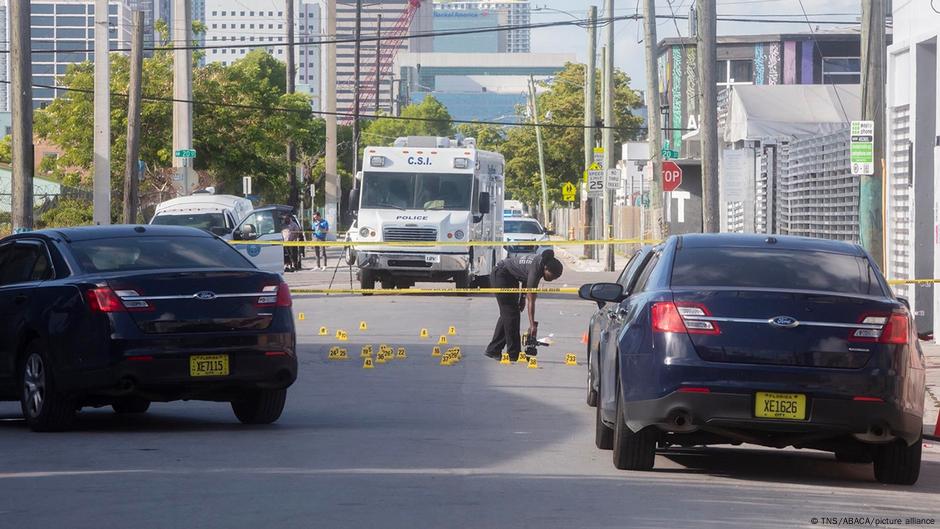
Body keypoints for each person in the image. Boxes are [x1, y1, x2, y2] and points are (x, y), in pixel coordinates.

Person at [485, 250, 564, 361]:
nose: (552, 279)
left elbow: (526, 281)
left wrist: (522, 299)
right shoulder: (537, 268)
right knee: (511, 314)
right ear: (546, 268)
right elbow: (531, 299)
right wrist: (532, 325)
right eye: (552, 276)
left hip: (510, 277)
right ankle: (514, 354)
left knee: (509, 314)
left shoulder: (540, 263)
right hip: (501, 275)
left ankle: (493, 349)